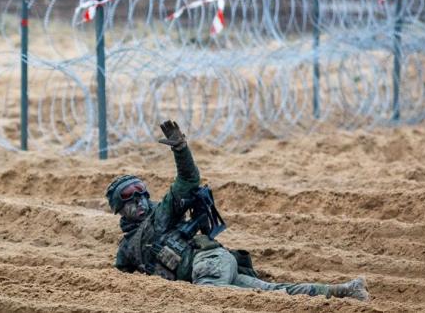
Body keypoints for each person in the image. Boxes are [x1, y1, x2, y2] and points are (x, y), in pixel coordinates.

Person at [105, 120, 369, 301]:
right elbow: (125, 284)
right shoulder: (126, 251)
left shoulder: (160, 214)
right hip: (210, 271)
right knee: (272, 294)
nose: (140, 203)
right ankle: (345, 291)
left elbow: (188, 181)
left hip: (209, 264)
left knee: (210, 302)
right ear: (119, 209)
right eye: (131, 200)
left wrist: (181, 149)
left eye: (142, 196)